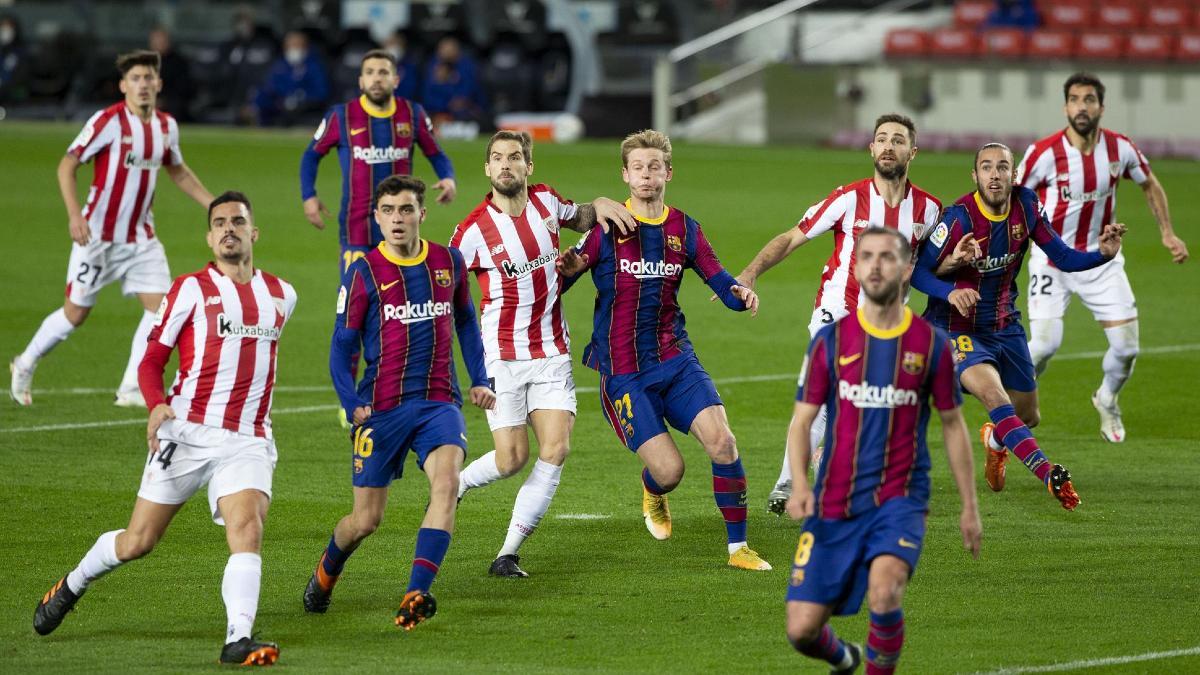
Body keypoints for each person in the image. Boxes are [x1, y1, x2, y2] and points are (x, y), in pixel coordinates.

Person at [32, 191, 297, 666]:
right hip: (187, 432)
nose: (229, 228)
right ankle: (73, 583)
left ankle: (238, 638)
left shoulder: (281, 294)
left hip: (248, 438)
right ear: (210, 237)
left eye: (238, 221)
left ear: (254, 233)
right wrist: (156, 406)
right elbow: (153, 359)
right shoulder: (189, 289)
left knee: (246, 527)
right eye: (219, 223)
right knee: (138, 542)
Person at [558, 129, 771, 571]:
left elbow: (721, 281)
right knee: (670, 472)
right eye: (638, 168)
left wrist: (741, 295)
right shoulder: (604, 231)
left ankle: (739, 550)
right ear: (625, 175)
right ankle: (653, 491)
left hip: (675, 360)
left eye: (655, 167)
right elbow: (560, 281)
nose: (647, 176)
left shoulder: (685, 229)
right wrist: (562, 267)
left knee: (723, 442)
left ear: (668, 173)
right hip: (623, 372)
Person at [785, 226, 981, 675]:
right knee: (801, 631)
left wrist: (969, 506)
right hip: (834, 502)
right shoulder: (831, 342)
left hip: (900, 498)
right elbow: (801, 422)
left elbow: (953, 425)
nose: (875, 266)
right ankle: (847, 657)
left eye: (887, 257)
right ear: (855, 267)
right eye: (866, 256)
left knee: (885, 591)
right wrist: (799, 483)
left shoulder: (931, 344)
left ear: (908, 268)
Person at [302, 175, 496, 629]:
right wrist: (351, 402)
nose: (397, 219)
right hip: (381, 408)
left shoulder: (449, 262)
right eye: (388, 211)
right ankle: (326, 571)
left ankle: (416, 593)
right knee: (366, 520)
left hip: (437, 403)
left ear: (422, 214)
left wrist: (480, 378)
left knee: (446, 484)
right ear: (376, 218)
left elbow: (467, 323)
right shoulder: (365, 272)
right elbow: (342, 345)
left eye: (405, 210)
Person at [729, 114, 943, 516]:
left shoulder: (930, 210)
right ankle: (789, 481)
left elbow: (929, 266)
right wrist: (750, 273)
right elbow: (794, 236)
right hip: (837, 310)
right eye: (881, 139)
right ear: (871, 149)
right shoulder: (848, 198)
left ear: (912, 152)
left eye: (898, 140)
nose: (888, 146)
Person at [449, 130, 636, 577]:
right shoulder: (471, 231)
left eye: (515, 157)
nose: (507, 165)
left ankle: (507, 554)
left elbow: (585, 216)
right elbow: (447, 295)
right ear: (488, 169)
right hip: (502, 358)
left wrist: (605, 203)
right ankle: (455, 484)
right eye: (498, 158)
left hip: (552, 350)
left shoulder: (547, 202)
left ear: (528, 167)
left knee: (556, 448)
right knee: (511, 459)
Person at [911, 143, 1127, 510]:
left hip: (1005, 326)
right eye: (986, 168)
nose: (994, 175)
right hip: (955, 327)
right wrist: (949, 292)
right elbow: (917, 271)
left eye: (1001, 168)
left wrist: (1101, 256)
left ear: (1014, 174)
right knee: (996, 398)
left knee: (1027, 416)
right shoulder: (958, 217)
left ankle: (996, 441)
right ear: (974, 175)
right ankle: (1049, 474)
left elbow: (1061, 256)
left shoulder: (1026, 206)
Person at [10, 50, 214, 408]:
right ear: (123, 86)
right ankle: (25, 363)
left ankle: (132, 387)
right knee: (75, 314)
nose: (143, 85)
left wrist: (213, 205)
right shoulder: (108, 122)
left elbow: (177, 170)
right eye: (135, 79)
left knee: (161, 308)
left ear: (159, 83)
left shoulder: (167, 127)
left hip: (141, 240)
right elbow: (67, 165)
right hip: (97, 237)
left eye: (149, 78)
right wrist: (75, 215)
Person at [1016, 72, 1188, 444]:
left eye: (1089, 99)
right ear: (1065, 107)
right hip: (1052, 260)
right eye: (1075, 99)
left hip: (1102, 260)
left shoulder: (1120, 149)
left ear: (1101, 107)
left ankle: (1107, 399)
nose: (1082, 106)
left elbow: (1149, 183)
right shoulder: (1043, 153)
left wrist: (1167, 233)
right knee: (1044, 345)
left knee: (1127, 348)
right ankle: (1010, 413)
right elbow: (1013, 198)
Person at [300, 48, 456, 275]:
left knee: (400, 300)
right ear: (361, 81)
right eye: (370, 72)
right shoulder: (341, 116)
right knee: (356, 297)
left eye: (383, 72)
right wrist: (308, 196)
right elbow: (311, 155)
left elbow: (436, 153)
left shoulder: (413, 114)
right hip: (357, 228)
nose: (376, 78)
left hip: (401, 224)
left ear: (395, 80)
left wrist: (448, 178)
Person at [251, 30, 330, 126]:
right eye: (290, 45)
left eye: (297, 45)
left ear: (305, 47)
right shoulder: (279, 66)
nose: (293, 49)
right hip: (279, 112)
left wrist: (299, 100)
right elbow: (268, 89)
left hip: (306, 113)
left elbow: (321, 93)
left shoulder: (314, 66)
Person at [421, 36, 489, 126]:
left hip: (466, 110)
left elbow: (471, 90)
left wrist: (460, 100)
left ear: (457, 51)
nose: (447, 53)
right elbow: (428, 97)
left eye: (450, 50)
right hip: (439, 111)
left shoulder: (467, 66)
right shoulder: (433, 67)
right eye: (444, 49)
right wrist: (441, 84)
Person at [148, 27, 194, 122]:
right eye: (156, 39)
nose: (160, 43)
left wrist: (163, 101)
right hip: (146, 98)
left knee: (176, 105)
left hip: (171, 101)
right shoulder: (142, 62)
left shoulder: (179, 62)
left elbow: (183, 87)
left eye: (162, 40)